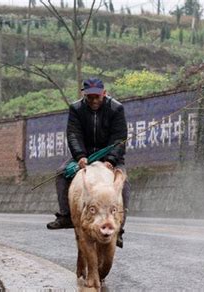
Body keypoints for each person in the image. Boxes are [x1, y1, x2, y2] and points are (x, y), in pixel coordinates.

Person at [46, 77, 130, 248]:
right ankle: (65, 216)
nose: (93, 101)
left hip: (109, 157)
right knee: (62, 173)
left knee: (124, 183)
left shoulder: (116, 108)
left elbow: (119, 138)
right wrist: (80, 156)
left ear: (104, 94)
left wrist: (111, 160)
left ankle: (118, 228)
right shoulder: (76, 109)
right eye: (89, 97)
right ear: (84, 95)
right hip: (85, 157)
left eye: (97, 97)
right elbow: (73, 134)